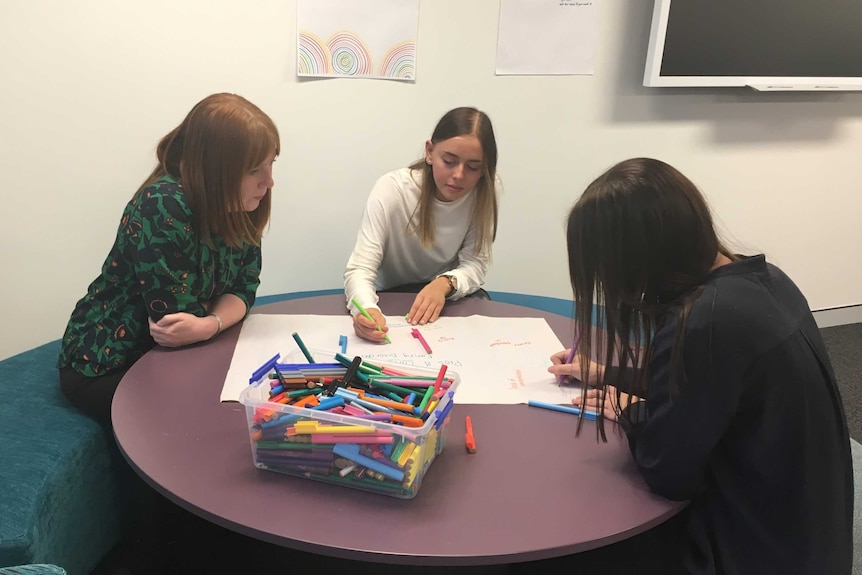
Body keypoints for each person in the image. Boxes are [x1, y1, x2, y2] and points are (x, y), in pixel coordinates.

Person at [546, 158, 852, 574]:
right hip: (806, 539)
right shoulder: (762, 281)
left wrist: (629, 409)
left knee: (569, 544)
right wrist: (609, 373)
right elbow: (712, 387)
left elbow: (666, 472)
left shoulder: (704, 324)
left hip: (743, 551)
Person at [57, 93, 279, 427]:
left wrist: (211, 323)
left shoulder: (243, 203)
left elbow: (244, 288)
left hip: (168, 355)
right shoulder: (163, 204)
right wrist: (208, 319)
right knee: (219, 416)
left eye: (271, 164)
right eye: (254, 170)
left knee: (263, 391)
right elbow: (174, 326)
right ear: (216, 169)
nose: (269, 181)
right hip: (108, 363)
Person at [343, 106, 499, 343]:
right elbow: (360, 269)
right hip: (388, 297)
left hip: (444, 297)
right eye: (449, 161)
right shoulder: (392, 190)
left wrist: (444, 284)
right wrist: (365, 309)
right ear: (429, 152)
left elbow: (476, 263)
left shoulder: (485, 190)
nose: (458, 174)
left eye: (473, 167)